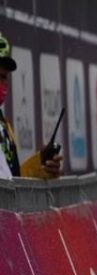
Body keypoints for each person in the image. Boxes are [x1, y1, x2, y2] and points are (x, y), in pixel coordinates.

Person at [0, 32, 62, 180]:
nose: (3, 84)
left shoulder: (4, 126)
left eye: (4, 77)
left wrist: (42, 166)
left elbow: (12, 180)